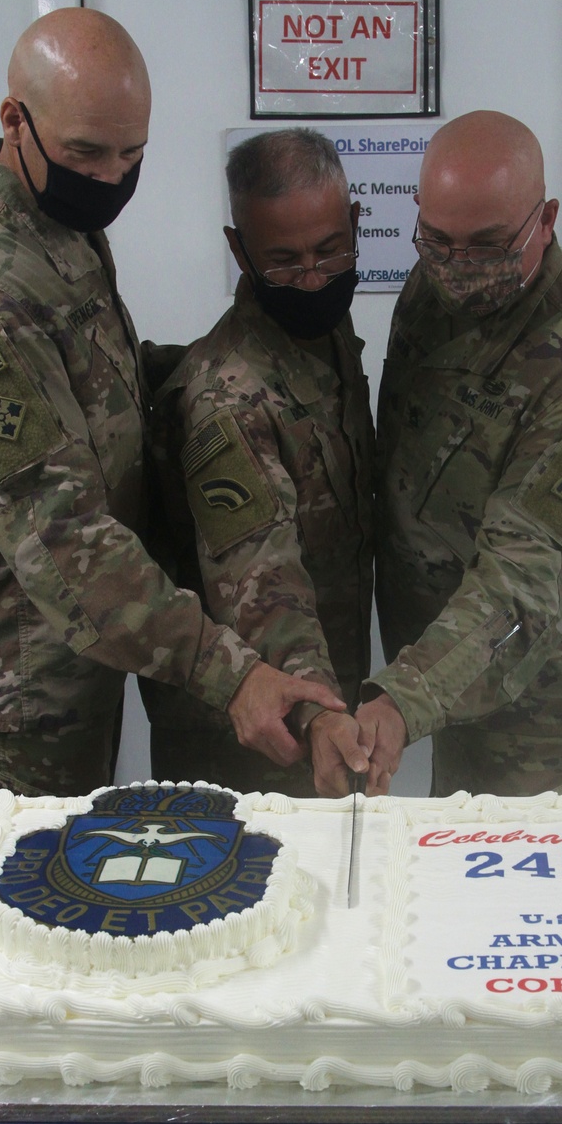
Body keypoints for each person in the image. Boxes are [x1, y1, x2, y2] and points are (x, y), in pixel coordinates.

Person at [0, 9, 344, 879]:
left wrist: (216, 371)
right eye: (90, 154)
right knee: (10, 928)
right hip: (9, 686)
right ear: (14, 120)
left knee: (76, 903)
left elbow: (98, 391)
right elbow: (59, 541)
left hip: (76, 650)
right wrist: (231, 673)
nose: (112, 176)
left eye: (133, 156)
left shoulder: (54, 223)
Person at [329, 110, 562, 798]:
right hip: (460, 671)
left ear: (545, 219)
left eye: (486, 247)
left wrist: (406, 696)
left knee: (549, 895)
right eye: (438, 241)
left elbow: (527, 577)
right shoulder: (436, 283)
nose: (459, 270)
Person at [142, 129, 373, 796]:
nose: (312, 279)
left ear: (355, 224)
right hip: (250, 730)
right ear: (239, 250)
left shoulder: (326, 336)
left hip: (321, 703)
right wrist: (319, 710)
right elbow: (261, 584)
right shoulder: (228, 394)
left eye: (331, 252)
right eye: (285, 262)